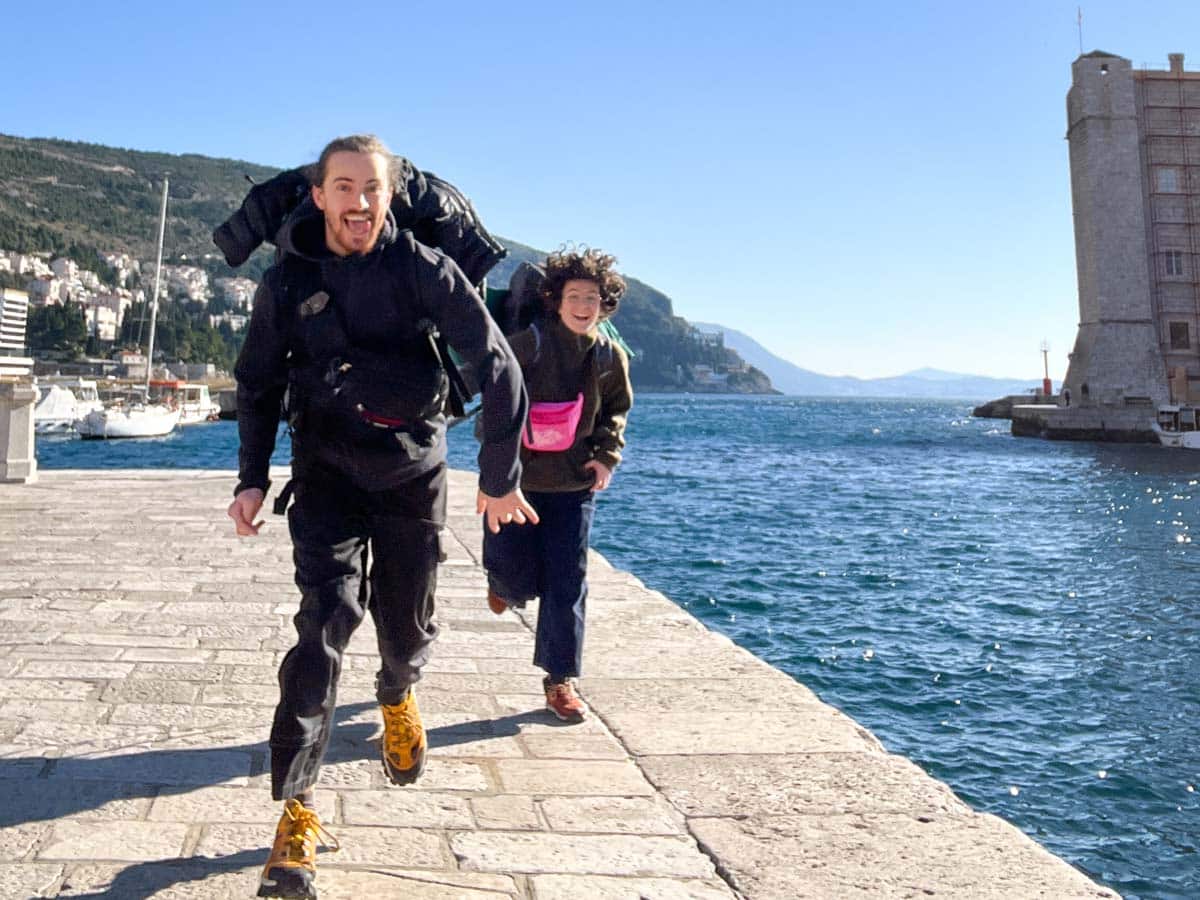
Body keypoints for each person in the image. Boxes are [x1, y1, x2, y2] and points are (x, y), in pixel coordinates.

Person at [226, 134, 537, 900]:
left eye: (372, 188)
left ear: (389, 196)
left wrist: (499, 477)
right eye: (343, 186)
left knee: (406, 627)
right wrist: (251, 477)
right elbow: (258, 379)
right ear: (320, 194)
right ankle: (296, 814)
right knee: (323, 622)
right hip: (326, 471)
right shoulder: (289, 279)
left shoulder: (424, 271)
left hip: (411, 474)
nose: (359, 202)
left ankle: (398, 693)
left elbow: (498, 369)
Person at [481, 248, 633, 723]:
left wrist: (607, 456)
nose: (584, 305)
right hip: (518, 484)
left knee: (568, 582)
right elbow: (496, 402)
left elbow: (616, 411)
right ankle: (503, 585)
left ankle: (560, 680)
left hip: (573, 486)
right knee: (512, 570)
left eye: (592, 297)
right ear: (556, 300)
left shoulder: (610, 356)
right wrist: (494, 474)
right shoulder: (529, 344)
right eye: (574, 296)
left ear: (603, 304)